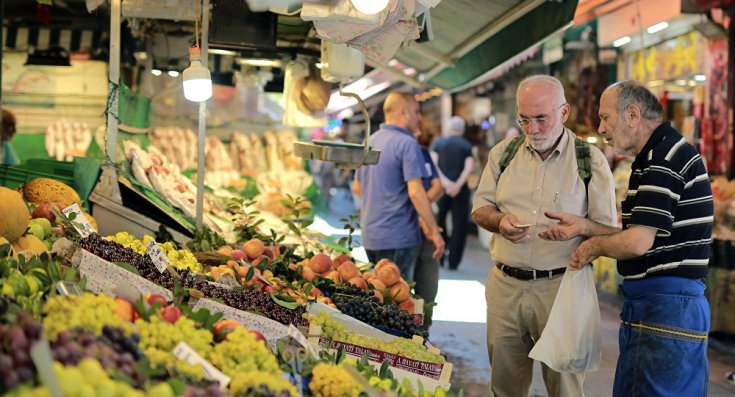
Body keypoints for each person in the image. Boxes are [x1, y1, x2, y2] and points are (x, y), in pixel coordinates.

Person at [539, 80, 713, 397]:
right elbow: (642, 235)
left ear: (632, 115)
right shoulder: (658, 155)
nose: (601, 127)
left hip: (666, 307)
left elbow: (636, 244)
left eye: (606, 118)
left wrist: (592, 248)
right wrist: (584, 227)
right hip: (667, 306)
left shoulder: (663, 159)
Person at [471, 75, 616, 397]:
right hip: (505, 288)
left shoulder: (589, 160)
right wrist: (499, 221)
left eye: (541, 119)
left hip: (562, 289)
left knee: (565, 386)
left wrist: (579, 227)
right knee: (505, 386)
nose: (532, 129)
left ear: (563, 113)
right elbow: (480, 208)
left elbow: (607, 230)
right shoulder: (503, 154)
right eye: (525, 119)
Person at [353, 92, 445, 280]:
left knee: (378, 298)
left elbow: (357, 187)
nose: (419, 117)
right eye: (416, 111)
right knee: (397, 302)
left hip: (371, 235)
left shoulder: (370, 141)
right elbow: (416, 192)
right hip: (399, 237)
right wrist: (434, 232)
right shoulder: (407, 143)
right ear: (404, 112)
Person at [431, 116, 474, 270]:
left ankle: (440, 257)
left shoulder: (439, 143)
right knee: (459, 225)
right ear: (462, 130)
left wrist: (445, 183)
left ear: (449, 128)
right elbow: (469, 168)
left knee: (440, 222)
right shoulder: (467, 145)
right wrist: (457, 185)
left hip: (441, 190)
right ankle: (454, 261)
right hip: (460, 191)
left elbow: (433, 164)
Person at [412, 124, 443, 318]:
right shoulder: (416, 153)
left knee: (426, 287)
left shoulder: (422, 154)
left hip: (423, 222)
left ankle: (420, 333)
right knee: (408, 288)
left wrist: (419, 203)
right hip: (408, 226)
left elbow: (439, 187)